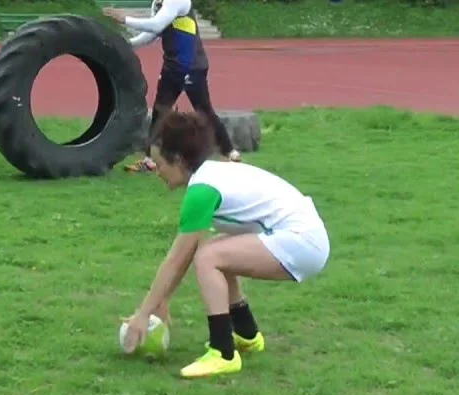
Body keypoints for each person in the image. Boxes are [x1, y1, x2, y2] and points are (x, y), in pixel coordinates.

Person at [120, 110, 331, 379]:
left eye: (159, 163)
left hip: (302, 242)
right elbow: (184, 256)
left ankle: (223, 353)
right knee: (216, 249)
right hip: (306, 237)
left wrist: (143, 314)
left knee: (210, 257)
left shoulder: (202, 190)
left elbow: (176, 260)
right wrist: (161, 301)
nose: (156, 171)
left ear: (179, 160)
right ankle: (247, 335)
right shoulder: (211, 175)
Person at [101, 0, 240, 173]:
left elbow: (156, 24)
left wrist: (125, 19)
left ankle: (230, 153)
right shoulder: (158, 2)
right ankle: (149, 159)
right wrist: (128, 45)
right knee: (160, 111)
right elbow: (153, 33)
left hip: (191, 66)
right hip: (172, 67)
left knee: (203, 110)